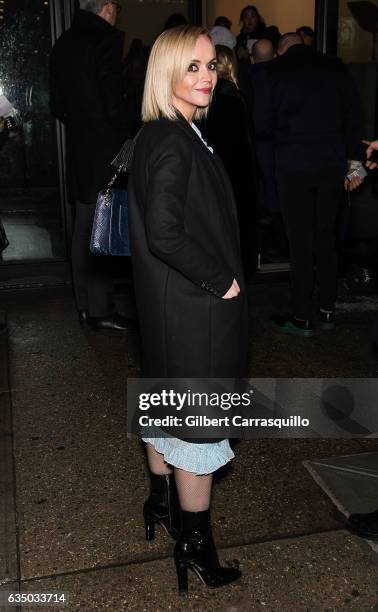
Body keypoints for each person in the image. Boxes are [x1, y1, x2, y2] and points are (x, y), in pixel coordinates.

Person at [128, 25, 247, 591]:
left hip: (167, 308)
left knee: (162, 406)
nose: (207, 77)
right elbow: (165, 233)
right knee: (200, 435)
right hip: (193, 307)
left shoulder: (161, 132)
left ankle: (160, 506)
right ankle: (195, 547)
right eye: (193, 66)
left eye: (211, 66)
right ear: (167, 71)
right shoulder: (175, 140)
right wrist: (221, 280)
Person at [254, 32, 365, 336]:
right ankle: (328, 309)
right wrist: (355, 164)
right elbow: (355, 116)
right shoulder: (336, 67)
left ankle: (302, 315)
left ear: (279, 51)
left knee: (300, 241)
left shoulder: (273, 71)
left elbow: (260, 123)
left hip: (293, 166)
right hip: (332, 163)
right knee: (326, 236)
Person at [50, 0, 133, 331]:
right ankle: (101, 309)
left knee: (84, 225)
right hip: (110, 149)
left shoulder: (63, 43)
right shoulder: (105, 40)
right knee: (107, 228)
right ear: (109, 8)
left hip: (81, 148)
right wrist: (134, 127)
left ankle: (85, 305)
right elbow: (115, 103)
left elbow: (58, 105)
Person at [206, 44, 257, 277]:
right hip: (233, 180)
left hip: (211, 179)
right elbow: (243, 150)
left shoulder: (206, 99)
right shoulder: (234, 99)